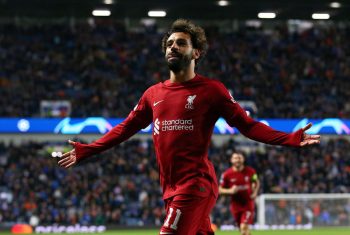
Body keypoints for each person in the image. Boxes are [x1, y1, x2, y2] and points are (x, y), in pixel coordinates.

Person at [57, 19, 320, 235]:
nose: (173, 47)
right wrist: (88, 149)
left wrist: (289, 138)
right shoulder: (152, 94)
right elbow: (125, 128)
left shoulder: (212, 91)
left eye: (180, 43)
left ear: (196, 52)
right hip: (169, 189)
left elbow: (248, 126)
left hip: (196, 185)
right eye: (169, 43)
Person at [219, 151, 259, 235]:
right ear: (231, 160)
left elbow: (256, 182)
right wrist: (230, 191)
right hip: (235, 206)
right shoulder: (226, 174)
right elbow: (219, 189)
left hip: (248, 204)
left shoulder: (250, 171)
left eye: (239, 158)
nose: (237, 160)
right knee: (244, 230)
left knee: (243, 226)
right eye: (235, 158)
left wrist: (255, 192)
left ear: (243, 159)